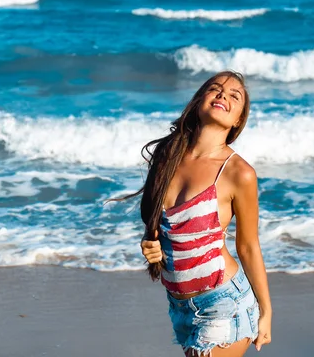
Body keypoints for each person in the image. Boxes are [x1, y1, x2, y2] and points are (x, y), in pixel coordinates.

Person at [106, 71, 272, 356]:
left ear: (238, 121)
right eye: (215, 89)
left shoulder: (238, 173)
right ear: (199, 100)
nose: (223, 95)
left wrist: (266, 311)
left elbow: (247, 246)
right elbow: (160, 225)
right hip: (180, 308)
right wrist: (150, 245)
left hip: (225, 304)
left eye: (235, 96)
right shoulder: (168, 155)